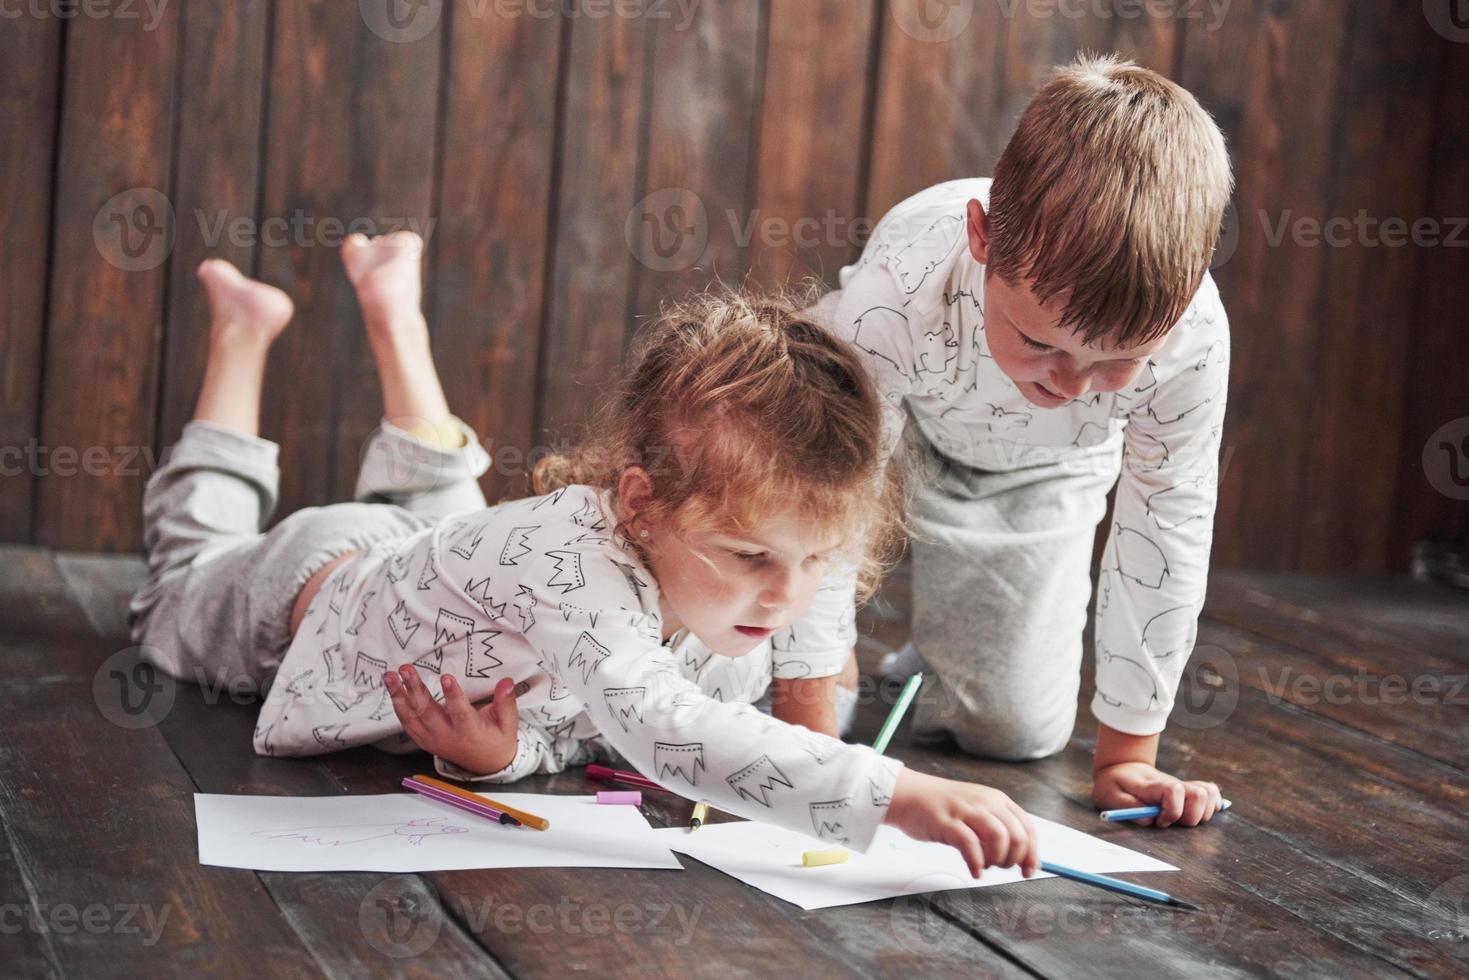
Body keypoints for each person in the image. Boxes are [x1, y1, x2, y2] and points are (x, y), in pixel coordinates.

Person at [126, 232, 1040, 874]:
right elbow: (658, 730)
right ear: (641, 503)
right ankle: (243, 334)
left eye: (814, 563)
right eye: (752, 556)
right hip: (306, 599)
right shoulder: (575, 557)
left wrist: (497, 760)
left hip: (451, 583)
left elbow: (575, 716)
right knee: (181, 580)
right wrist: (894, 793)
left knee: (460, 538)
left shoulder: (720, 607)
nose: (784, 598)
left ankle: (392, 312)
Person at [815, 54, 1232, 827]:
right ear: (980, 238)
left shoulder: (1195, 336)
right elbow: (823, 481)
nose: (1071, 382)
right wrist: (807, 719)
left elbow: (1164, 526)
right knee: (786, 691)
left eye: (1116, 360)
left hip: (1042, 466)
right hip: (867, 437)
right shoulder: (902, 282)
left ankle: (936, 654)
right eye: (1040, 343)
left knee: (1011, 732)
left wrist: (1126, 757)